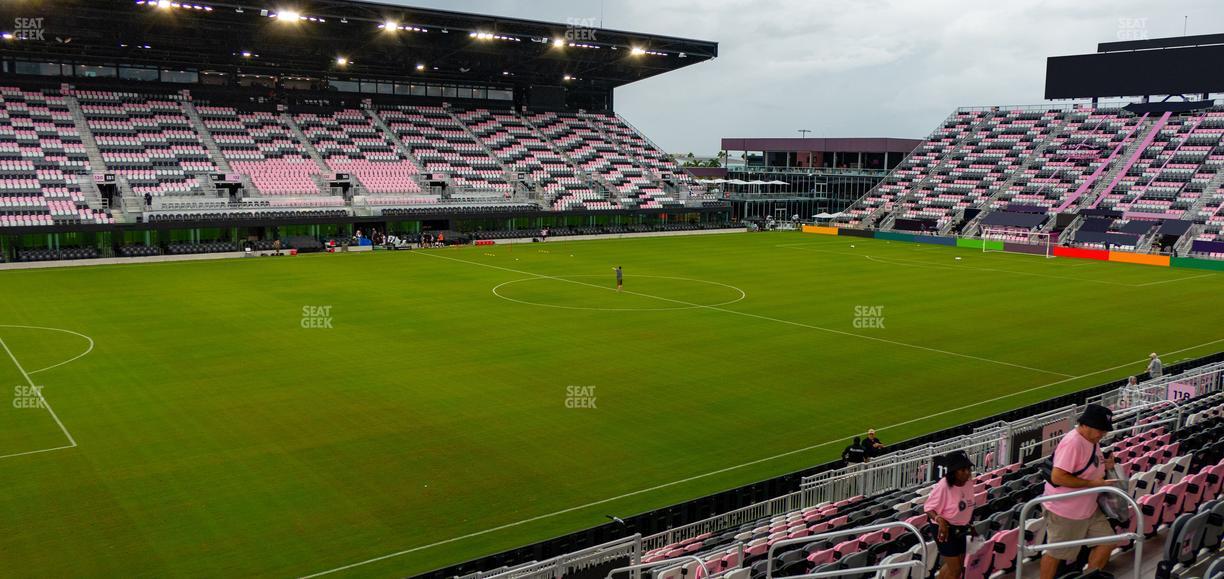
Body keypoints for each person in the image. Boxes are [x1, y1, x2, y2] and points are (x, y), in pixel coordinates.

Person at [1039, 404, 1116, 579]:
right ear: (1086, 425)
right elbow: (1058, 477)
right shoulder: (1073, 443)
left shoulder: (1091, 440)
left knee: (1108, 541)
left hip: (1087, 509)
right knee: (1056, 554)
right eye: (1100, 430)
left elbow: (1090, 464)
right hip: (1066, 511)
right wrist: (1091, 484)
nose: (1103, 434)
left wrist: (1106, 465)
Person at [924, 450, 976, 579]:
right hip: (945, 529)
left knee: (960, 564)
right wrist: (940, 520)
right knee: (956, 569)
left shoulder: (969, 482)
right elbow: (928, 507)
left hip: (963, 527)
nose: (967, 473)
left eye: (968, 469)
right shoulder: (943, 486)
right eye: (962, 470)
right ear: (954, 471)